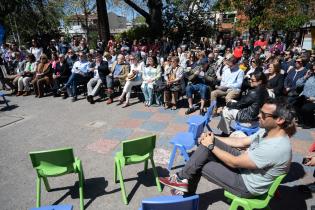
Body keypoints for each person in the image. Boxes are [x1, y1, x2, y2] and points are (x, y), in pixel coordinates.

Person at [159, 97, 296, 198]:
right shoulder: (268, 131)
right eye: (260, 111)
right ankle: (182, 181)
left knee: (201, 163)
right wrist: (212, 137)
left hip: (246, 184)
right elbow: (241, 142)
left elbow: (234, 162)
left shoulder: (275, 147)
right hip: (246, 168)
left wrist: (211, 145)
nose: (258, 115)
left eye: (264, 114)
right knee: (203, 151)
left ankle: (184, 189)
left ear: (280, 120)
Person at [217, 71, 268, 135]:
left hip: (248, 120)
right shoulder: (266, 91)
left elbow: (239, 105)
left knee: (226, 111)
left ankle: (224, 133)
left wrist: (227, 105)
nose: (250, 81)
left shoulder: (254, 92)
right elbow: (245, 103)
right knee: (231, 102)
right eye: (250, 79)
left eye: (253, 80)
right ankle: (225, 128)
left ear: (260, 81)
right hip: (256, 119)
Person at [293, 63, 315, 129]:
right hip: (305, 98)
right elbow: (298, 84)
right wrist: (305, 76)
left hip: (313, 100)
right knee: (295, 104)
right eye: (313, 69)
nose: (314, 71)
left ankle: (309, 123)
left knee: (306, 108)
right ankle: (302, 122)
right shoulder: (310, 77)